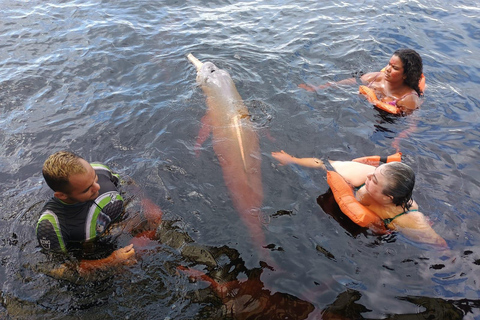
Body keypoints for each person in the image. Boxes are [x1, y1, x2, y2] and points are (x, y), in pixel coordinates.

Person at [271, 150, 447, 248]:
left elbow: (439, 244)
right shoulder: (362, 177)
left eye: (374, 179)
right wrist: (292, 159)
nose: (369, 175)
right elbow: (323, 163)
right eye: (374, 173)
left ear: (388, 197)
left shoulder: (408, 219)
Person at [35, 151, 162, 279]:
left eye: (95, 178)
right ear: (62, 195)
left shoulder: (101, 170)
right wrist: (110, 262)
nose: (97, 187)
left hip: (122, 223)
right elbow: (56, 268)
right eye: (87, 189)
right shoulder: (51, 225)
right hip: (94, 250)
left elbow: (127, 183)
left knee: (161, 230)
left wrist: (146, 201)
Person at [299, 48, 424, 113]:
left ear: (406, 75)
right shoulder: (376, 77)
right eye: (389, 64)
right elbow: (353, 81)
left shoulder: (408, 99)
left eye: (394, 68)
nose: (387, 69)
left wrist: (398, 140)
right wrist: (320, 87)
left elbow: (410, 127)